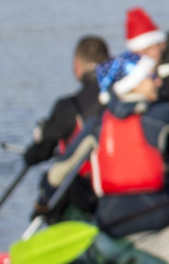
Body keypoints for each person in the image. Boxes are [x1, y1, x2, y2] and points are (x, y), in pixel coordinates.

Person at [75, 52, 169, 235]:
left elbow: (59, 171)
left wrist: (44, 203)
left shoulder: (95, 123)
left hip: (109, 217)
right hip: (157, 212)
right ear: (137, 83)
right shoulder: (162, 113)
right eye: (153, 76)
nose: (159, 82)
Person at [20, 35, 110, 170]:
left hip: (87, 179)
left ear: (77, 65)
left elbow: (41, 152)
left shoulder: (68, 107)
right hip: (127, 172)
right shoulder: (126, 96)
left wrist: (29, 154)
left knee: (50, 179)